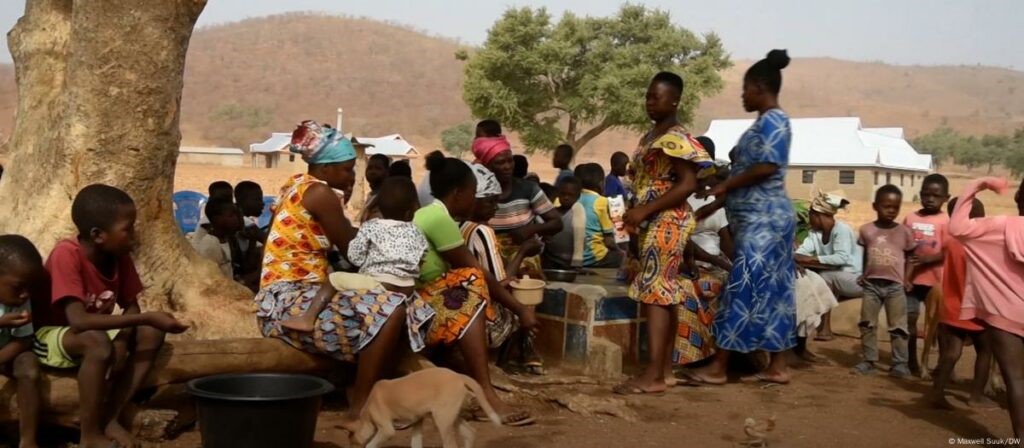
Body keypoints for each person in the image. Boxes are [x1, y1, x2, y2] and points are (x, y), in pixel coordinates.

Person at [256, 120, 434, 425]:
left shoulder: (296, 185)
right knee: (392, 309)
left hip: (289, 291)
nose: (352, 175)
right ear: (325, 169)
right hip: (289, 296)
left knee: (398, 306)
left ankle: (362, 386)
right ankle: (362, 404)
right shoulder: (321, 195)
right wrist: (388, 240)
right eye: (348, 169)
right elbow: (351, 249)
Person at [32, 185, 188, 448]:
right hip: (50, 336)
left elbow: (131, 306)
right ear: (98, 235)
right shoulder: (66, 255)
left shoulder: (118, 255)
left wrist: (123, 340)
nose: (134, 235)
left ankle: (111, 417)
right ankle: (89, 435)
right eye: (128, 228)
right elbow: (79, 321)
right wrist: (144, 319)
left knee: (151, 332)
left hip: (90, 334)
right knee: (98, 341)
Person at [686, 50, 796, 386]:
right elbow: (748, 172)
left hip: (766, 222)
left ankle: (719, 367)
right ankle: (777, 367)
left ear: (760, 87)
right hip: (759, 220)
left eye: (745, 89)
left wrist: (726, 185)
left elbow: (766, 167)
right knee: (775, 291)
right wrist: (715, 204)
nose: (742, 96)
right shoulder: (764, 123)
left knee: (742, 286)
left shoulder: (775, 121)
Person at [415, 153, 537, 425]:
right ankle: (486, 395)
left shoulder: (431, 214)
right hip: (418, 306)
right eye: (472, 193)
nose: (474, 200)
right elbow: (477, 271)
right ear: (458, 193)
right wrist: (520, 309)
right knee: (471, 280)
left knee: (467, 282)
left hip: (422, 299)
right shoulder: (437, 218)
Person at [612, 71, 712, 395]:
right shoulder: (651, 135)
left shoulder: (677, 137)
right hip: (653, 219)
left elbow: (688, 183)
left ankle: (653, 376)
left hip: (667, 219)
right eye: (648, 96)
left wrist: (644, 210)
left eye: (656, 97)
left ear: (675, 100)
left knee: (656, 293)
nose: (649, 102)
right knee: (664, 295)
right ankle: (664, 371)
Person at [281, 177, 427, 333]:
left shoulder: (372, 226)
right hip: (408, 287)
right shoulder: (416, 231)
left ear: (379, 207)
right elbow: (421, 258)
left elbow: (354, 258)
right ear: (412, 210)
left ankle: (307, 318)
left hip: (379, 284)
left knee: (334, 278)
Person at [948, 177, 1024, 442]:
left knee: (1016, 380)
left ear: (1018, 199)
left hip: (1005, 316)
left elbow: (956, 227)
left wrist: (977, 184)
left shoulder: (999, 227)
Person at [927, 196, 996, 410]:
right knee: (985, 350)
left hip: (952, 306)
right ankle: (976, 395)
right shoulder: (981, 245)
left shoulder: (952, 241)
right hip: (976, 308)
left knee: (952, 352)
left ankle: (938, 392)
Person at [476, 125, 563, 279]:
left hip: (525, 260)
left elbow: (557, 222)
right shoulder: (478, 195)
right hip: (490, 260)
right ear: (487, 166)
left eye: (510, 161)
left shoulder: (528, 189)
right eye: (500, 163)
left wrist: (531, 230)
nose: (507, 167)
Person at [851, 185, 916, 378]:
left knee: (898, 326)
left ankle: (900, 364)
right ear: (875, 206)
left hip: (895, 286)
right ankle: (868, 360)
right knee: (867, 323)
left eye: (895, 207)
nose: (891, 211)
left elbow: (911, 257)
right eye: (886, 206)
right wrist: (864, 273)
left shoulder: (904, 232)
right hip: (871, 285)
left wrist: (907, 278)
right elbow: (866, 254)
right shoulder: (866, 230)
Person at [675, 164, 732, 366]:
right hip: (690, 263)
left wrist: (734, 266)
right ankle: (694, 355)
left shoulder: (715, 203)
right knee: (691, 290)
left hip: (711, 263)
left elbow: (725, 240)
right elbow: (686, 243)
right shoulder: (679, 202)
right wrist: (720, 263)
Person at [794, 191, 864, 341]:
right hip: (839, 277)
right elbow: (801, 252)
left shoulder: (841, 230)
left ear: (818, 215)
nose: (809, 219)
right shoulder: (815, 234)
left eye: (810, 215)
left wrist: (810, 259)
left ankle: (825, 330)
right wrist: (798, 257)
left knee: (825, 277)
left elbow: (841, 258)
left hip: (856, 278)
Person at [904, 173, 951, 377]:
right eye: (926, 194)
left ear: (945, 198)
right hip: (912, 281)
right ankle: (911, 361)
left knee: (939, 326)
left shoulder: (946, 221)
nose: (930, 199)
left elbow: (949, 250)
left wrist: (927, 260)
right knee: (910, 322)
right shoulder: (910, 218)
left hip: (936, 282)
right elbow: (903, 246)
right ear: (920, 194)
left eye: (936, 195)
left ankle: (942, 365)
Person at [0, 235, 43, 448]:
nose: (26, 295)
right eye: (18, 287)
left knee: (29, 366)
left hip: (9, 352)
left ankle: (28, 440)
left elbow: (24, 338)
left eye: (30, 288)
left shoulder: (20, 300)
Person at [574, 163, 623, 268]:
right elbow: (609, 241)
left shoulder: (571, 198)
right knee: (622, 256)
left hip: (570, 257)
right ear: (601, 184)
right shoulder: (602, 202)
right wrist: (620, 252)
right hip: (594, 258)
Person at [189, 197, 244, 278]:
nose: (236, 219)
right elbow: (210, 279)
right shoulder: (211, 244)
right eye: (231, 215)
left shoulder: (227, 239)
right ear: (217, 219)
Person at [542, 177, 586, 270]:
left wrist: (577, 263)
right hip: (551, 259)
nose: (566, 198)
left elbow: (580, 238)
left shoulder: (578, 211)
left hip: (570, 262)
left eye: (570, 195)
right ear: (558, 193)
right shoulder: (552, 213)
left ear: (578, 196)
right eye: (563, 194)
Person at [233, 181, 266, 290]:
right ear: (243, 201)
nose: (262, 203)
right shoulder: (245, 222)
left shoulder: (244, 219)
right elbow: (271, 242)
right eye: (257, 199)